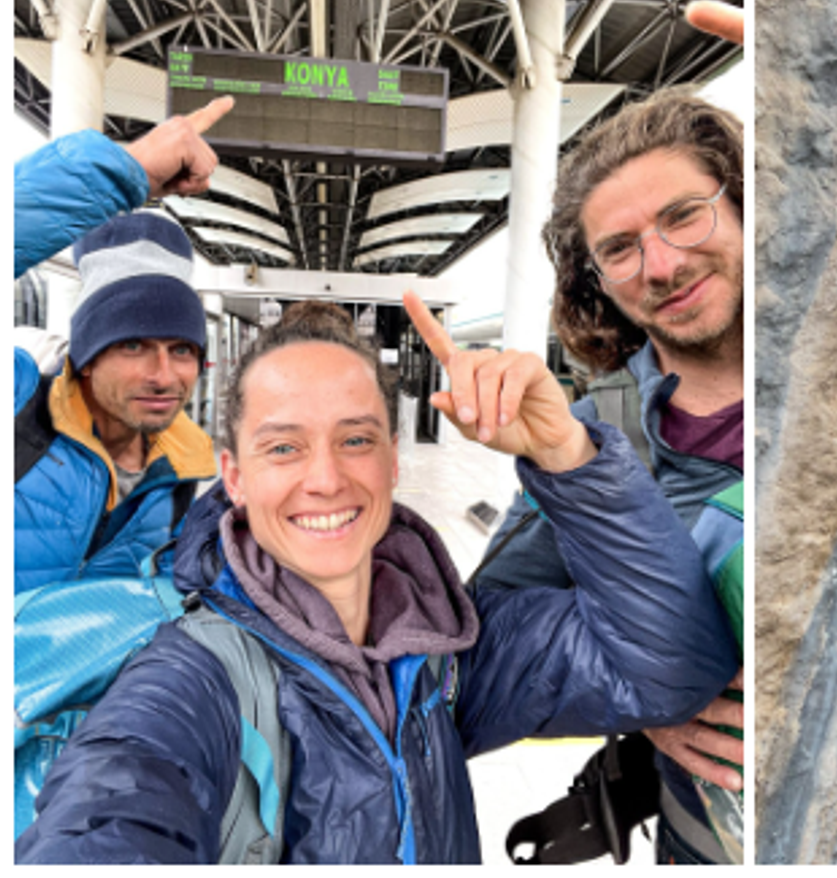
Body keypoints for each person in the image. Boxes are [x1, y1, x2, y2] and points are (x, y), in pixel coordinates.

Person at [17, 301, 738, 864]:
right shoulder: (190, 681)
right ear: (232, 475)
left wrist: (567, 458)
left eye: (355, 439)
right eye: (283, 447)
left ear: (393, 461)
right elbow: (110, 815)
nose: (325, 478)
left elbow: (672, 672)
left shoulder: (448, 647)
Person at [473, 84, 745, 863]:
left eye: (684, 214)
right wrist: (645, 691)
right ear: (597, 282)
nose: (661, 264)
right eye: (619, 249)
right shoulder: (595, 437)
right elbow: (490, 632)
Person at [14, 98, 235, 591]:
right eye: (133, 345)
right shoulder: (18, 407)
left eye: (182, 349)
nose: (164, 375)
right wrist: (122, 172)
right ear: (87, 358)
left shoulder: (185, 474)